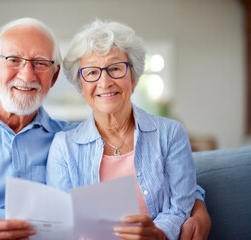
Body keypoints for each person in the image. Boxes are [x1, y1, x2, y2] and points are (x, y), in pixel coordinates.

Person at [0, 17, 210, 240]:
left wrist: (196, 206)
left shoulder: (63, 137)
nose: (27, 74)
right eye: (13, 60)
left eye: (40, 63)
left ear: (53, 79)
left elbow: (166, 178)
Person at [46, 20, 208, 240]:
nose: (104, 82)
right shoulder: (63, 147)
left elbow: (181, 208)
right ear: (80, 85)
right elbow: (63, 225)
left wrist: (157, 234)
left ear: (134, 78)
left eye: (115, 68)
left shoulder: (170, 134)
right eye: (92, 72)